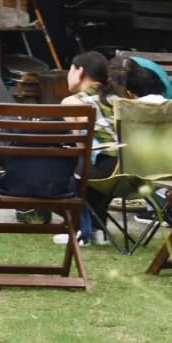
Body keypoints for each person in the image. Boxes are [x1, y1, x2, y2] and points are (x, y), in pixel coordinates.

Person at [52, 49, 114, 247]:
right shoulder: (119, 99)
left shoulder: (72, 102)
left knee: (74, 164)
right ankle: (99, 229)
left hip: (100, 173)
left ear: (79, 72)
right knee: (102, 158)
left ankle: (81, 230)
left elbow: (81, 148)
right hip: (128, 171)